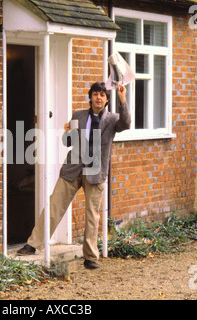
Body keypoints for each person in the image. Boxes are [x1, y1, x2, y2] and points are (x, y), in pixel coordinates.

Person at [17, 82, 131, 269]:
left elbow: (126, 123)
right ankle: (33, 244)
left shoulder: (112, 119)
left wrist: (123, 99)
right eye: (95, 94)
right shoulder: (79, 115)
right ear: (90, 97)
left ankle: (90, 257)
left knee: (92, 215)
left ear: (107, 99)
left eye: (102, 95)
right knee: (54, 205)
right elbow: (67, 142)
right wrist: (67, 132)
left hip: (95, 171)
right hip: (73, 168)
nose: (99, 98)